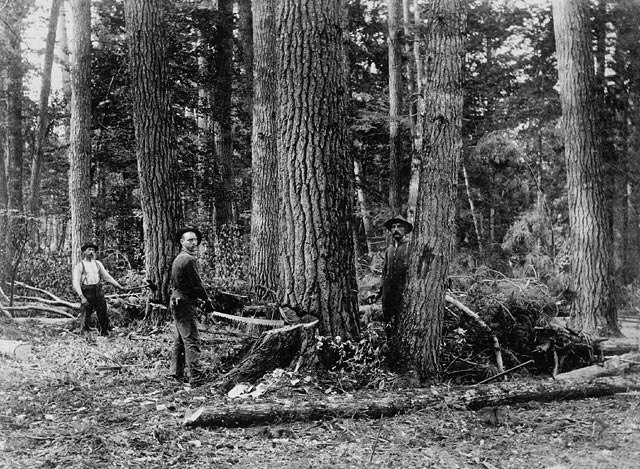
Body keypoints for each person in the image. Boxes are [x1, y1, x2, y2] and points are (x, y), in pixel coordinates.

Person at [169, 226, 213, 386]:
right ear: (182, 242)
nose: (194, 243)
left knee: (181, 339)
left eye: (195, 240)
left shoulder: (181, 257)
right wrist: (207, 301)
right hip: (183, 302)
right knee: (192, 339)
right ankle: (197, 378)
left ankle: (176, 373)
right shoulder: (188, 259)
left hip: (179, 300)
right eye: (190, 240)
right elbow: (197, 285)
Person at [72, 241, 126, 336]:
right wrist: (82, 297)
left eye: (93, 250)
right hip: (87, 291)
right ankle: (85, 335)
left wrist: (119, 286)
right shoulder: (80, 265)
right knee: (86, 314)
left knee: (103, 313)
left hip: (98, 290)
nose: (91, 252)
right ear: (84, 252)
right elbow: (76, 282)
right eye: (89, 250)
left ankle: (105, 333)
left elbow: (107, 277)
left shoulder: (97, 264)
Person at [380, 215, 413, 328]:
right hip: (388, 294)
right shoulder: (389, 250)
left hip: (403, 293)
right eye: (393, 227)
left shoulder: (411, 247)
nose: (396, 229)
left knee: (402, 324)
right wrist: (379, 292)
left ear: (405, 229)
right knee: (388, 324)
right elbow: (384, 272)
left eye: (399, 226)